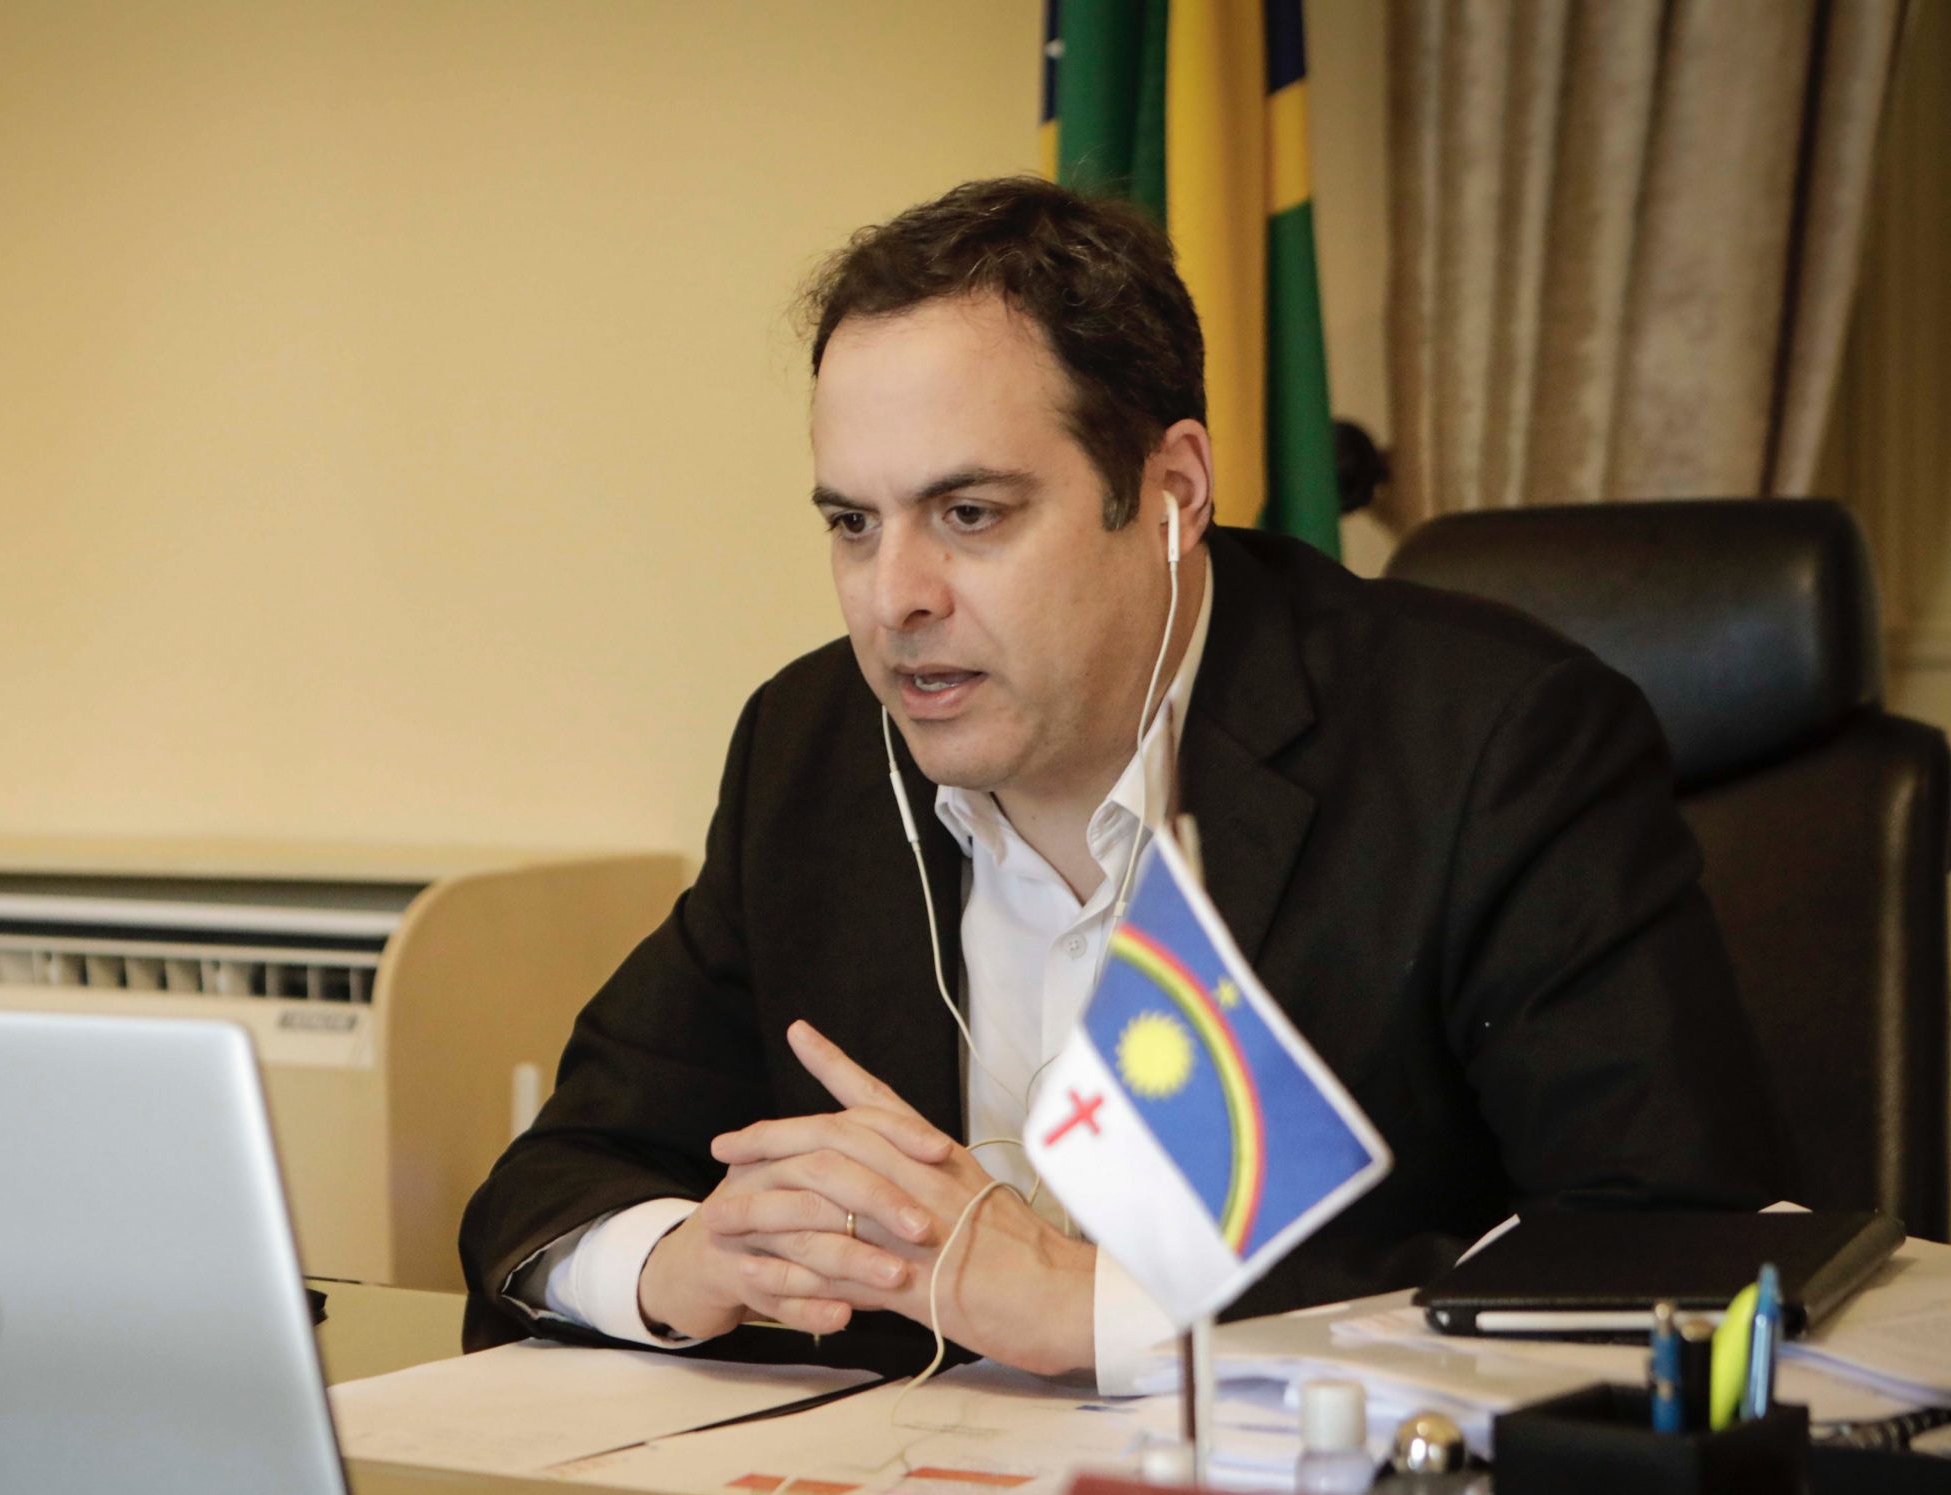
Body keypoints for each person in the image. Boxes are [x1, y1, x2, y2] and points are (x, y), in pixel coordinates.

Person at [458, 177, 1779, 1381]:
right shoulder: (811, 749)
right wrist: (680, 1264)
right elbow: (558, 1178)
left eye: (971, 515)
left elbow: (1665, 1256)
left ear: (1171, 494)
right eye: (853, 524)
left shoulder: (1489, 747)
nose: (894, 599)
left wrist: (1093, 1308)